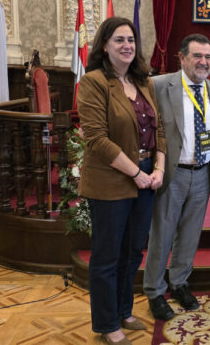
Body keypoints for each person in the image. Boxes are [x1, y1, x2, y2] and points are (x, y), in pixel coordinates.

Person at [77, 17, 167, 345]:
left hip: (145, 178)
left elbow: (158, 131)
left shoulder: (144, 82)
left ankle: (124, 310)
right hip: (112, 182)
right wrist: (137, 173)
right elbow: (97, 140)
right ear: (105, 45)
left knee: (132, 252)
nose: (127, 45)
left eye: (130, 40)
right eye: (119, 40)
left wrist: (158, 168)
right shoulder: (93, 81)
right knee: (106, 257)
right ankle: (106, 323)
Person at [143, 33, 210, 321]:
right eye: (197, 56)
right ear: (182, 57)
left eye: (208, 57)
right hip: (172, 173)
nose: (203, 62)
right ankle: (154, 290)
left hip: (202, 173)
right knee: (162, 234)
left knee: (190, 234)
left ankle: (179, 283)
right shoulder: (159, 85)